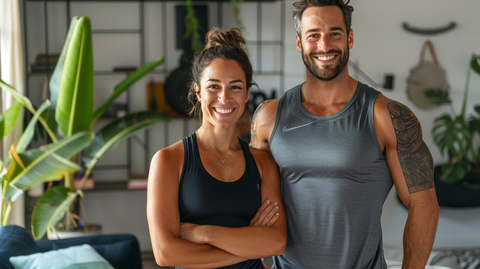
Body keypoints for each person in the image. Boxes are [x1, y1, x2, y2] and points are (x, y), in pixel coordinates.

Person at [250, 0, 440, 268]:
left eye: (334, 33)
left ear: (349, 38)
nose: (324, 45)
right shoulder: (268, 117)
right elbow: (251, 200)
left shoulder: (387, 116)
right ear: (299, 42)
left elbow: (425, 206)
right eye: (313, 35)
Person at [147, 27, 287, 269]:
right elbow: (165, 253)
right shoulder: (169, 161)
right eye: (213, 86)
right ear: (197, 92)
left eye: (235, 87)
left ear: (246, 94)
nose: (224, 98)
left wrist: (206, 234)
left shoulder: (264, 163)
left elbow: (276, 241)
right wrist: (250, 246)